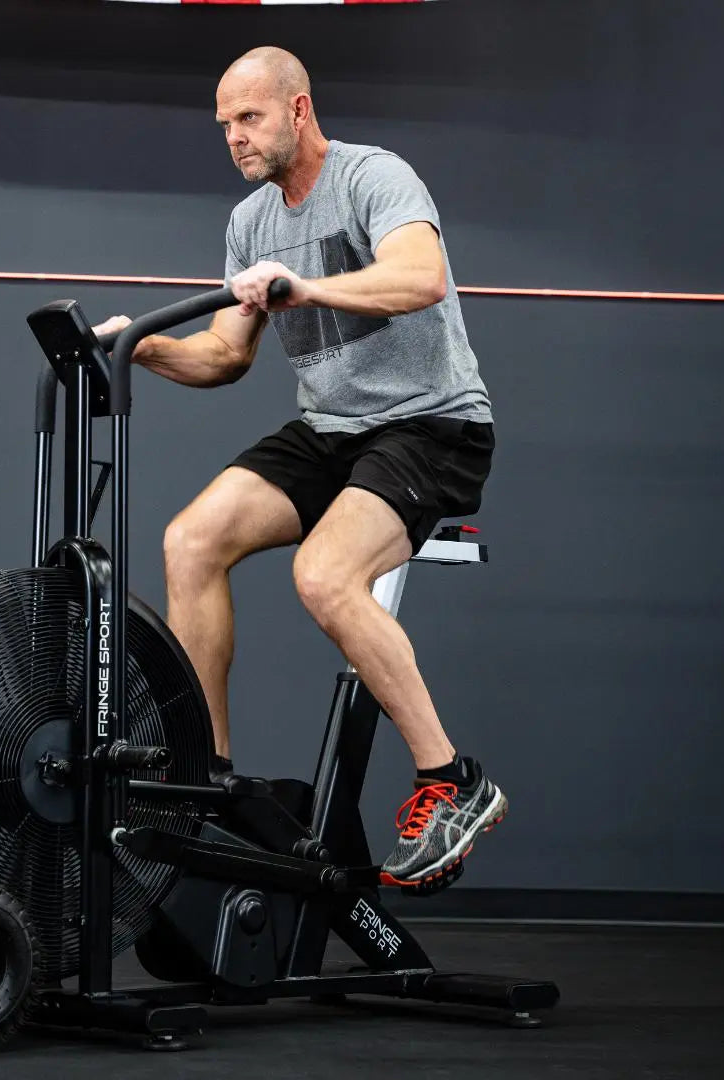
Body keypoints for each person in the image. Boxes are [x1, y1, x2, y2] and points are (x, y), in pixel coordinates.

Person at [93, 46, 503, 889]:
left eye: (249, 118)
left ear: (298, 110)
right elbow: (224, 356)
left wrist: (306, 289)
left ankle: (452, 782)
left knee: (323, 576)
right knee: (191, 541)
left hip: (431, 425)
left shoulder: (372, 177)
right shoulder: (250, 223)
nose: (235, 138)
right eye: (225, 125)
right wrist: (139, 346)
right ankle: (203, 777)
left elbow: (422, 278)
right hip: (333, 430)